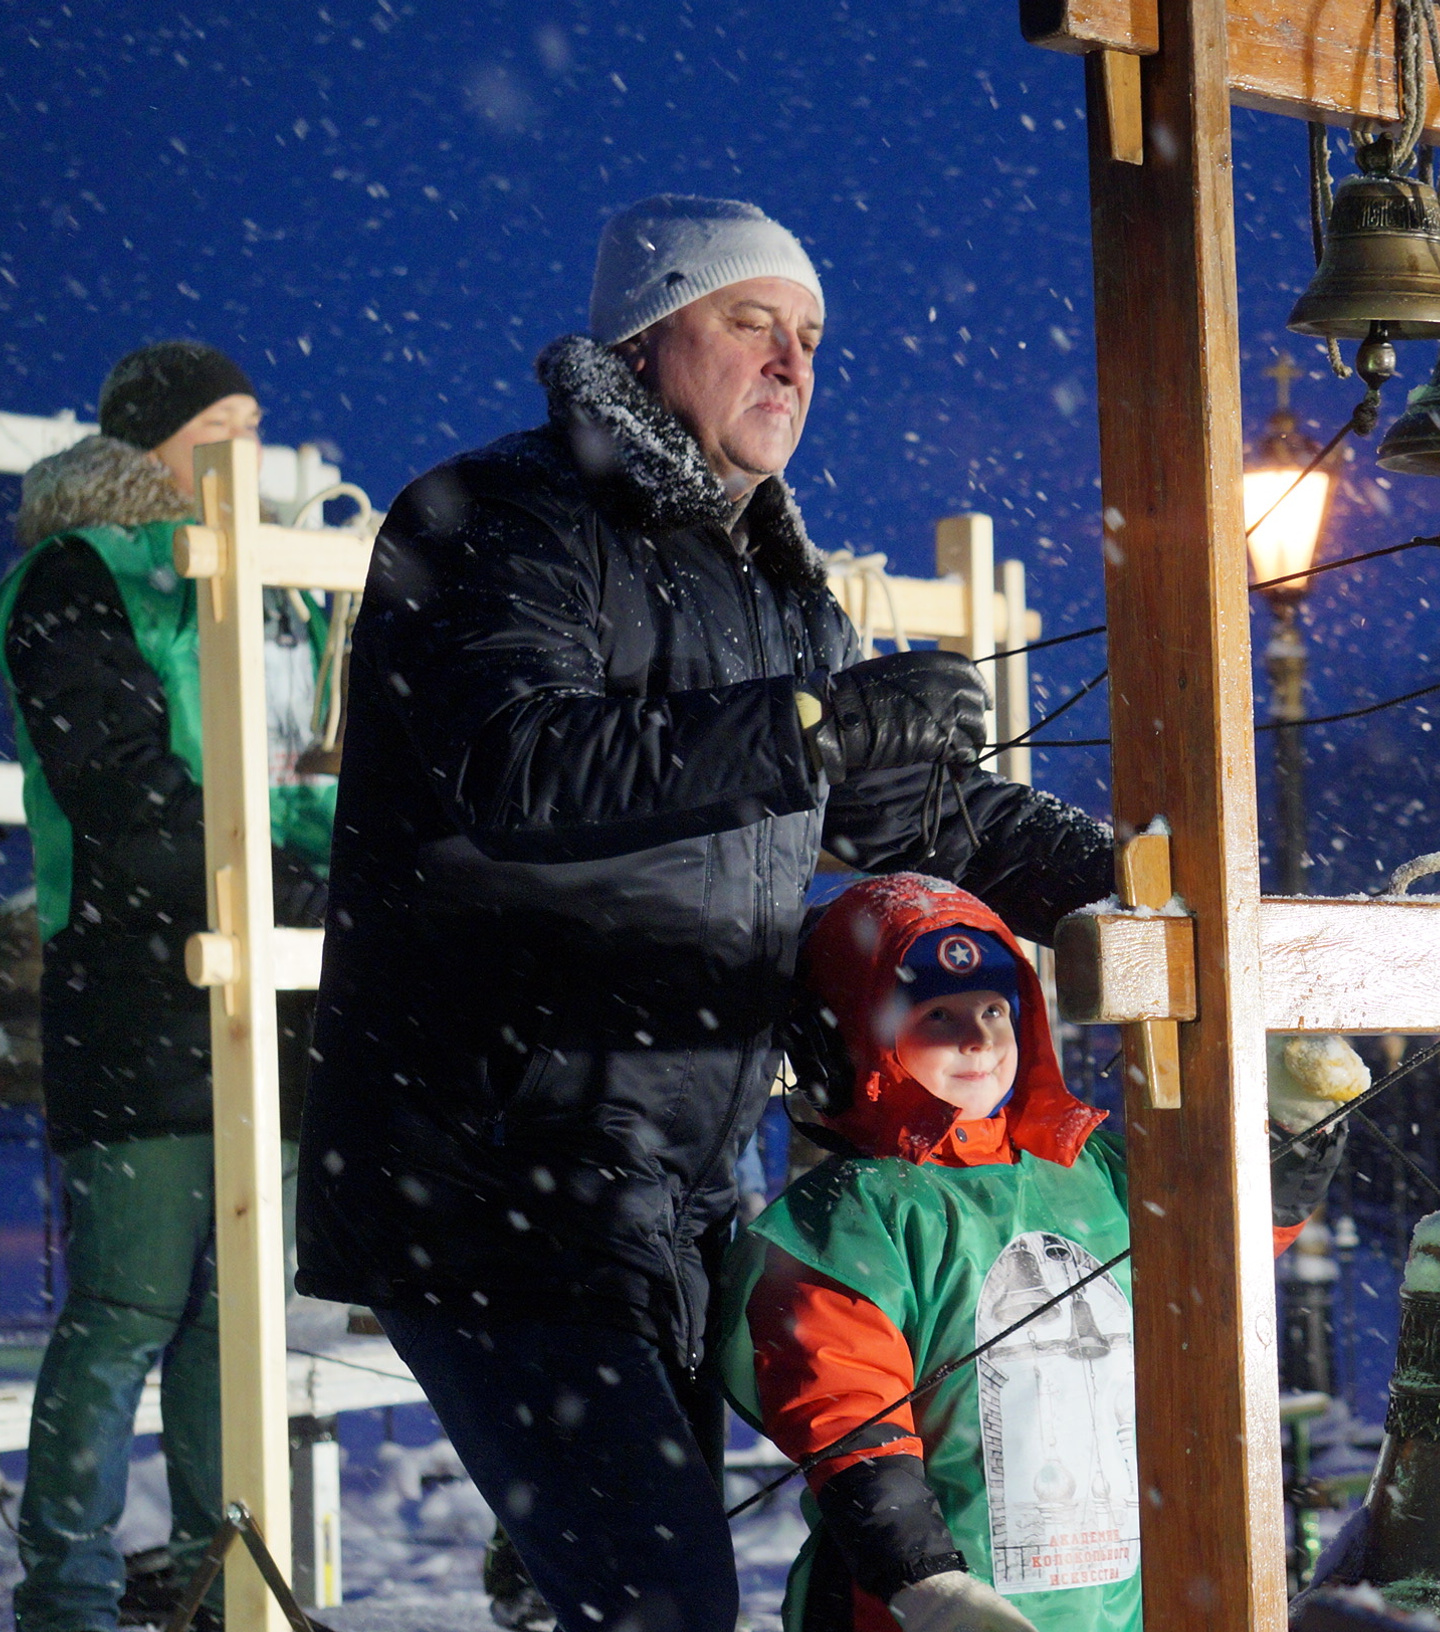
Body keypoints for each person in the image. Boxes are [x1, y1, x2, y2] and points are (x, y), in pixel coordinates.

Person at [291, 194, 1113, 1632]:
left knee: (641, 1586)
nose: (793, 363)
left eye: (810, 339)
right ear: (647, 333)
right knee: (661, 1601)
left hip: (676, 1179)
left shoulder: (779, 590)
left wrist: (1149, 884)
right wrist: (814, 720)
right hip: (495, 1171)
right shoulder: (494, 515)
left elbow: (912, 819)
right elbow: (513, 759)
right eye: (753, 324)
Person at [722, 875, 1352, 1632]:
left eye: (994, 1009)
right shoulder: (856, 1215)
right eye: (938, 1016)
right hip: (930, 1609)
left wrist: (1290, 1132)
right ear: (855, 1034)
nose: (978, 1038)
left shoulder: (1092, 1172)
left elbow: (1219, 1251)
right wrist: (927, 1585)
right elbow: (848, 1416)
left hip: (1118, 1603)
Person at [0, 342, 336, 1632]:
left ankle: (217, 1569)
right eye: (224, 429)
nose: (248, 457)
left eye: (258, 427)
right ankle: (68, 1594)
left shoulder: (275, 594)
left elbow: (309, 772)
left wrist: (331, 871)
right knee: (131, 1303)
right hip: (143, 981)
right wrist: (281, 879)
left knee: (237, 1312)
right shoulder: (72, 578)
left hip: (273, 982)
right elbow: (121, 785)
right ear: (151, 447)